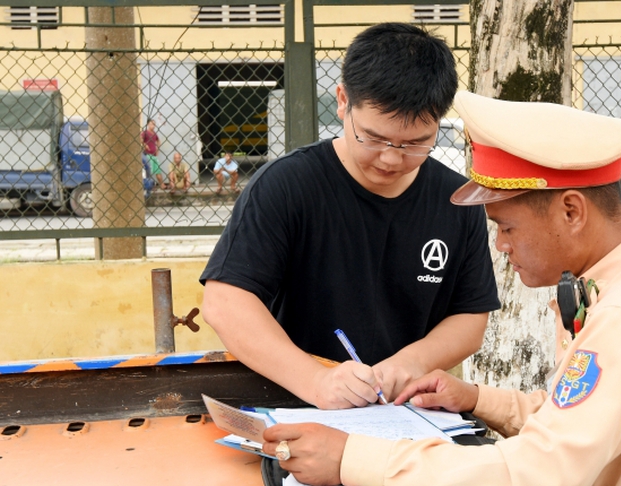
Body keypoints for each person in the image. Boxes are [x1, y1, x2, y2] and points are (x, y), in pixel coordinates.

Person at [262, 92, 621, 486]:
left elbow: (547, 465)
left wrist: (354, 458)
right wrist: (475, 398)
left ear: (571, 211)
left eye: (506, 226)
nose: (499, 245)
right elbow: (580, 420)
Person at [200, 24, 500, 410]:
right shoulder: (288, 186)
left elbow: (470, 317)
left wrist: (410, 363)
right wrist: (317, 381)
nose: (392, 158)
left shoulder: (457, 200)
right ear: (343, 102)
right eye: (373, 138)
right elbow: (225, 303)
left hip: (404, 414)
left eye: (416, 144)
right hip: (297, 406)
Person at [141, 119, 166, 189]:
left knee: (158, 170)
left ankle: (162, 185)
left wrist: (157, 148)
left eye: (154, 124)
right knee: (148, 171)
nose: (153, 126)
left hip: (154, 155)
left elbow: (158, 141)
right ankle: (148, 186)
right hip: (147, 155)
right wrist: (145, 144)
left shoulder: (154, 134)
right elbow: (140, 139)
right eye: (151, 124)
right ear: (148, 124)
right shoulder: (145, 132)